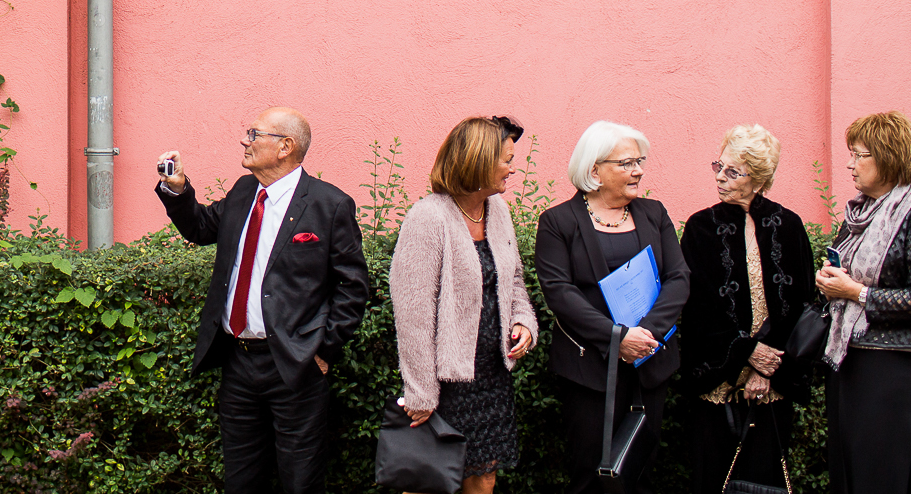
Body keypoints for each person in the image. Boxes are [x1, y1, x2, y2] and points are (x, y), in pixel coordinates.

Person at [156, 107, 372, 494]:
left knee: (300, 482)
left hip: (295, 365)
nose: (245, 140)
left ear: (285, 147)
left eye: (255, 134)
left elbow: (353, 287)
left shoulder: (329, 205)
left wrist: (323, 348)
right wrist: (177, 189)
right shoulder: (243, 191)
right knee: (241, 480)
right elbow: (202, 227)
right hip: (237, 362)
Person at [533, 120, 690, 494]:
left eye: (640, 161)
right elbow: (559, 291)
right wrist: (618, 338)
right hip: (590, 370)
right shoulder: (558, 222)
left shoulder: (654, 213)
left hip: (649, 365)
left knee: (640, 472)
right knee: (593, 475)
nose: (638, 170)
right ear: (594, 171)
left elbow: (679, 277)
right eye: (626, 163)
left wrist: (645, 335)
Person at [390, 115, 538, 494]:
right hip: (443, 384)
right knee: (430, 483)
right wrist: (421, 393)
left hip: (491, 375)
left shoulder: (498, 211)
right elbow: (413, 314)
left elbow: (514, 279)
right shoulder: (428, 217)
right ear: (479, 161)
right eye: (506, 159)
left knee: (483, 478)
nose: (512, 167)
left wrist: (523, 320)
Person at [815, 111, 911, 494]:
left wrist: (854, 292)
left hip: (894, 369)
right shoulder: (857, 215)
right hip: (850, 361)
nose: (849, 163)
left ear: (889, 157)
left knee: (881, 476)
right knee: (849, 474)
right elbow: (848, 278)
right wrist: (830, 282)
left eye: (860, 155)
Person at [678, 125, 816, 494]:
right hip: (718, 383)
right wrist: (745, 354)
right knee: (714, 478)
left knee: (763, 483)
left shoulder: (789, 225)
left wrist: (767, 369)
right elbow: (697, 310)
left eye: (733, 172)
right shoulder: (700, 227)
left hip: (772, 384)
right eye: (718, 166)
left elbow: (802, 305)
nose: (720, 178)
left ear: (757, 180)